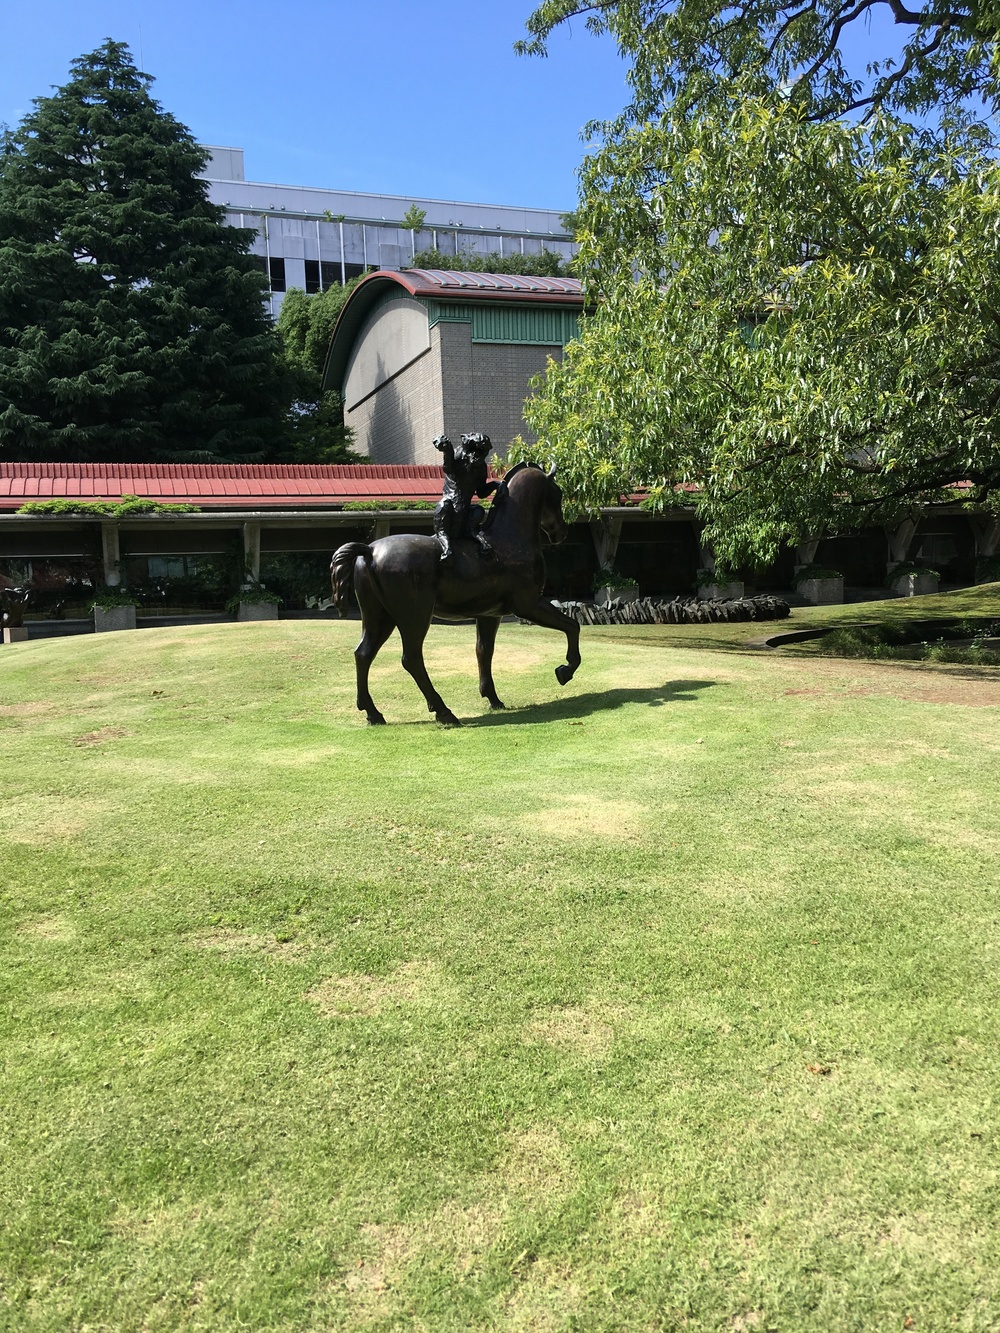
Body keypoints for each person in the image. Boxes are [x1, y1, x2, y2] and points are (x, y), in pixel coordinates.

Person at [432, 432, 505, 561]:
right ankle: (446, 548)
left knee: (478, 510)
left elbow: (481, 492)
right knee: (444, 505)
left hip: (465, 511)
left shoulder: (481, 467)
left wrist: (495, 484)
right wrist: (447, 450)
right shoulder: (458, 455)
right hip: (451, 509)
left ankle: (472, 533)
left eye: (483, 453)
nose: (480, 456)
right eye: (478, 450)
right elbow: (448, 468)